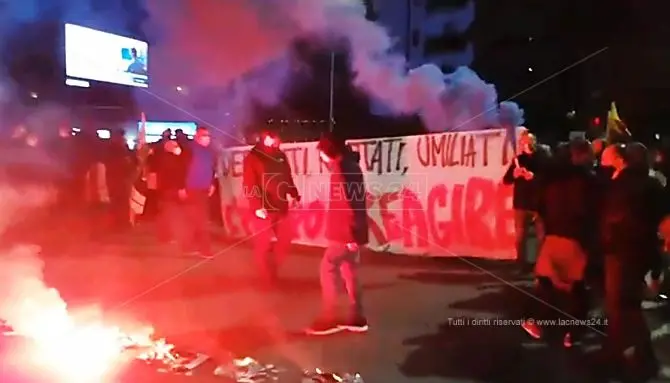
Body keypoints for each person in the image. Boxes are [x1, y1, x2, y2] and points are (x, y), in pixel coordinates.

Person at [597, 143, 669, 380]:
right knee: (627, 306)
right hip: (639, 252)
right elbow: (663, 220)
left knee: (621, 306)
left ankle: (628, 359)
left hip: (620, 252)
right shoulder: (652, 185)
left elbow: (609, 219)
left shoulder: (619, 185)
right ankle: (634, 356)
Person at [521, 138, 598, 347]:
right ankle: (572, 332)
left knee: (547, 282)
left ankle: (535, 321)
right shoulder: (588, 179)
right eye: (590, 153)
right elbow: (592, 212)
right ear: (580, 155)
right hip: (575, 239)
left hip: (553, 237)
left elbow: (539, 207)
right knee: (578, 288)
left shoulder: (550, 179)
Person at [305, 133, 368, 335]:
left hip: (343, 232)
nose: (321, 158)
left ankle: (329, 317)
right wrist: (356, 235)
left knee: (328, 268)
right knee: (350, 271)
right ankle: (356, 317)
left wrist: (350, 235)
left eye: (322, 154)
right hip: (352, 232)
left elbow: (349, 203)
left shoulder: (341, 170)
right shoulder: (351, 165)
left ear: (328, 152)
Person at [242, 130, 300, 287]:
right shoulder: (253, 157)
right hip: (264, 208)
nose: (279, 142)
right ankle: (266, 278)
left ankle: (272, 270)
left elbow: (287, 176)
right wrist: (256, 206)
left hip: (280, 205)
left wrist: (294, 194)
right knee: (264, 244)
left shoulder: (280, 156)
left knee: (284, 241)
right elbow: (249, 183)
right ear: (267, 138)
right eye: (276, 139)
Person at [502, 131, 546, 273]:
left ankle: (542, 266)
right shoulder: (518, 159)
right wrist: (514, 174)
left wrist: (534, 176)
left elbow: (548, 176)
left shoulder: (542, 157)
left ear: (534, 142)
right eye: (522, 141)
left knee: (542, 236)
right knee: (520, 236)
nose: (524, 144)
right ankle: (521, 264)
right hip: (521, 203)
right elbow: (506, 180)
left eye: (527, 141)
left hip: (539, 202)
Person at [180, 126, 216, 258]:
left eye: (208, 136)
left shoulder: (209, 152)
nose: (207, 138)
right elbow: (182, 169)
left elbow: (211, 169)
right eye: (204, 135)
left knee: (194, 220)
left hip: (204, 189)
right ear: (197, 136)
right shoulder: (190, 150)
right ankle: (204, 249)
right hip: (192, 189)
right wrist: (182, 187)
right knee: (201, 220)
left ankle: (187, 246)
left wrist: (211, 183)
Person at [155, 140, 188, 244]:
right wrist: (181, 188)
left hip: (166, 189)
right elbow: (176, 175)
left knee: (167, 213)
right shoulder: (171, 159)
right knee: (169, 213)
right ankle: (166, 237)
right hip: (171, 189)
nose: (178, 148)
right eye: (175, 146)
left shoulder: (164, 158)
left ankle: (165, 236)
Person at [104, 129, 135, 231]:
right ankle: (118, 223)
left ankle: (120, 222)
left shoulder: (117, 148)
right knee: (118, 201)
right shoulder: (114, 148)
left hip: (119, 177)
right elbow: (123, 162)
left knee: (120, 201)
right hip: (116, 177)